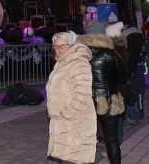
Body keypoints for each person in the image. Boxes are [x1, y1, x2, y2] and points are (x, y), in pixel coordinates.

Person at [77, 31, 128, 164]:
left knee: (85, 140)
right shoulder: (110, 54)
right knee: (112, 140)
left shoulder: (78, 56)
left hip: (85, 101)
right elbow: (123, 77)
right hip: (107, 100)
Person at [46, 31, 97, 164]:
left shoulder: (79, 63)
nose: (58, 50)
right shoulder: (62, 63)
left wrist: (65, 114)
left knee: (73, 160)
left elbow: (82, 95)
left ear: (71, 45)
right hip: (65, 126)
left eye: (62, 46)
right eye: (56, 47)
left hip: (75, 125)